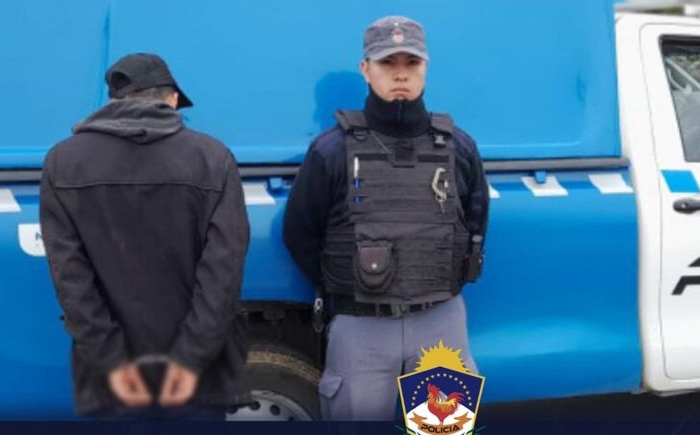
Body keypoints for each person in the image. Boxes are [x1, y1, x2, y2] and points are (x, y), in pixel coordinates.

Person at [283, 16, 489, 421]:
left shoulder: (458, 147)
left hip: (440, 319)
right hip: (361, 325)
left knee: (443, 431)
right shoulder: (331, 150)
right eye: (387, 62)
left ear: (425, 67)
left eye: (411, 63)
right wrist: (346, 283)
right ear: (366, 69)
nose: (400, 74)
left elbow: (476, 224)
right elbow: (300, 232)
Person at [40, 53, 250, 420]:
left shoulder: (62, 162)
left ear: (113, 101)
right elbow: (223, 275)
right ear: (172, 100)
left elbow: (71, 280)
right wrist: (189, 360)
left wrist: (112, 362)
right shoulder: (213, 158)